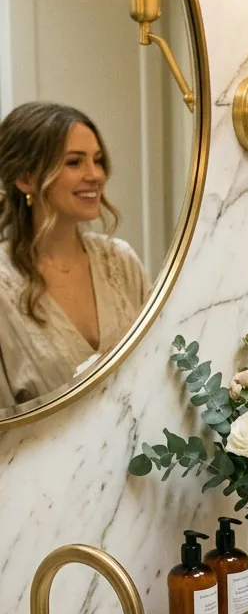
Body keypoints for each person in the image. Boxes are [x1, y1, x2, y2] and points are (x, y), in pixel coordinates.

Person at [0, 101, 149, 409]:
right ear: (26, 178)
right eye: (74, 162)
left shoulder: (120, 261)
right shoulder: (4, 285)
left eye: (97, 160)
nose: (95, 175)